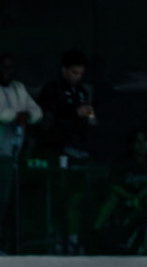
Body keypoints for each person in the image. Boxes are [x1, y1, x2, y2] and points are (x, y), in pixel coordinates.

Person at [0, 53, 41, 254]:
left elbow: (36, 111)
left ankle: (0, 242)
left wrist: (26, 115)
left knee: (4, 200)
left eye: (9, 69)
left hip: (10, 154)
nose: (6, 73)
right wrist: (15, 115)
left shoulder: (18, 88)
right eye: (2, 68)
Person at [37, 49, 98, 254]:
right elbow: (46, 121)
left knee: (76, 197)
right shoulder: (51, 90)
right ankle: (53, 238)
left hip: (78, 153)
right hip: (57, 153)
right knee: (57, 197)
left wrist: (90, 118)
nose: (77, 77)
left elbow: (89, 117)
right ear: (63, 70)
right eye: (73, 72)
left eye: (80, 73)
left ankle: (73, 238)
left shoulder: (82, 92)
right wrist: (73, 113)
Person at [93, 130, 147, 252]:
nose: (141, 145)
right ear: (132, 144)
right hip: (125, 197)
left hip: (145, 198)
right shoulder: (122, 161)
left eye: (145, 141)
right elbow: (113, 185)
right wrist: (130, 198)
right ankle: (94, 235)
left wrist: (138, 198)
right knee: (111, 199)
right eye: (138, 141)